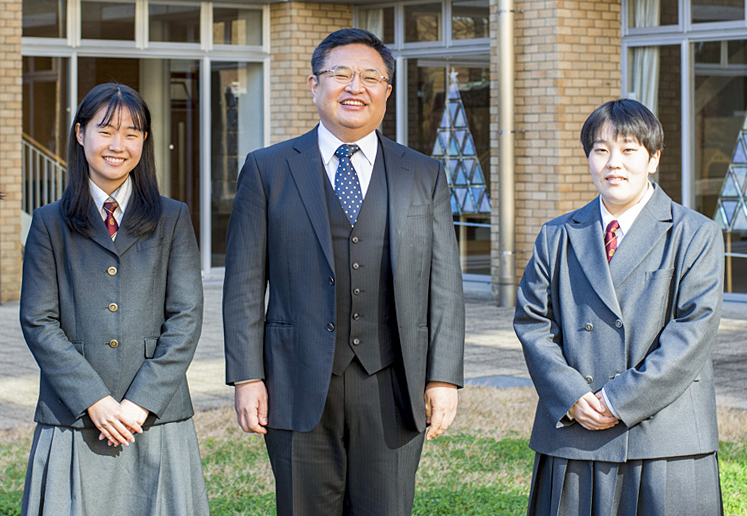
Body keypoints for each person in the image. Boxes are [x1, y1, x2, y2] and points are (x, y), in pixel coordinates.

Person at [222, 28, 465, 515]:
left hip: (393, 382)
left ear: (387, 92)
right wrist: (247, 377)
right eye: (342, 74)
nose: (357, 87)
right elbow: (245, 284)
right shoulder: (268, 169)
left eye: (371, 77)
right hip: (295, 380)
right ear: (314, 84)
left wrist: (443, 378)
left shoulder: (423, 173)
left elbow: (445, 286)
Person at [514, 98, 724, 515]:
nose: (614, 162)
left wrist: (616, 400)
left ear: (653, 159)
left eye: (628, 150)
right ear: (589, 158)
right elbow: (533, 322)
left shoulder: (695, 234)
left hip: (665, 434)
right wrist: (573, 395)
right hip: (576, 429)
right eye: (601, 149)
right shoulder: (556, 235)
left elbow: (693, 331)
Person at [20, 83, 209, 516]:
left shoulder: (172, 217)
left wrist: (139, 402)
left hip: (155, 414)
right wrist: (96, 401)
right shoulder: (49, 223)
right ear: (80, 133)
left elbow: (186, 316)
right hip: (74, 412)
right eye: (106, 131)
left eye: (132, 133)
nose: (118, 145)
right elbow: (38, 321)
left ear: (145, 141)